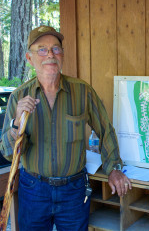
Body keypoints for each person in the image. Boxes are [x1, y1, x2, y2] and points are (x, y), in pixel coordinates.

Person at [0, 25, 132, 230]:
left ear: (62, 54)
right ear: (29, 58)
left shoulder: (82, 91)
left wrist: (114, 169)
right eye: (42, 49)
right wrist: (17, 124)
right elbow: (9, 153)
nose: (50, 55)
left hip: (73, 190)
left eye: (56, 49)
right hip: (33, 189)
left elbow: (105, 129)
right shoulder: (19, 97)